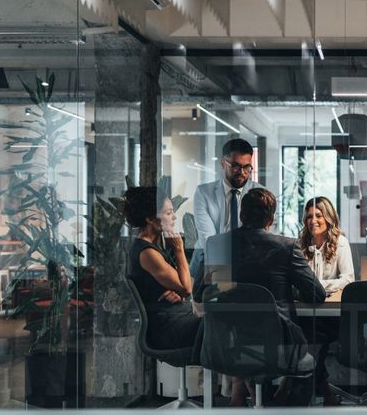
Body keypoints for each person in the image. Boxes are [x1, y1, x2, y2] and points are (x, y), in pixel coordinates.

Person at [204, 188, 326, 406]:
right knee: (306, 356)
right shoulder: (286, 247)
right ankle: (280, 405)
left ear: (241, 216)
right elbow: (317, 294)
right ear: (271, 218)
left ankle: (253, 399)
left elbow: (202, 293)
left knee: (249, 351)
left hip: (229, 345)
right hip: (277, 345)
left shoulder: (217, 244)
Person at [126, 186, 200, 354]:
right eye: (168, 213)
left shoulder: (155, 247)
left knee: (222, 323)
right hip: (166, 327)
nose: (174, 217)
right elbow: (187, 287)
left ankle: (238, 379)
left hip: (177, 318)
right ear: (151, 219)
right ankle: (238, 379)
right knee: (216, 324)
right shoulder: (147, 253)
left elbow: (185, 285)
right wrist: (179, 249)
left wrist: (179, 292)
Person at [296, 196, 354, 406]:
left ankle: (307, 388)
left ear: (328, 217)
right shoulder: (300, 243)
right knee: (307, 339)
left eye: (318, 215)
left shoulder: (340, 242)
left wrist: (317, 286)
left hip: (332, 314)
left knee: (314, 343)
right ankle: (325, 391)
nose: (313, 220)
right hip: (306, 310)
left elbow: (348, 279)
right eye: (309, 216)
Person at [190, 138, 264, 282]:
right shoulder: (203, 193)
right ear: (223, 163)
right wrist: (225, 281)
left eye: (247, 167)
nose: (242, 173)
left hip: (246, 264)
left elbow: (261, 237)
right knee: (210, 301)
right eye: (236, 166)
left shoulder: (260, 193)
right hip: (208, 262)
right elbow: (209, 241)